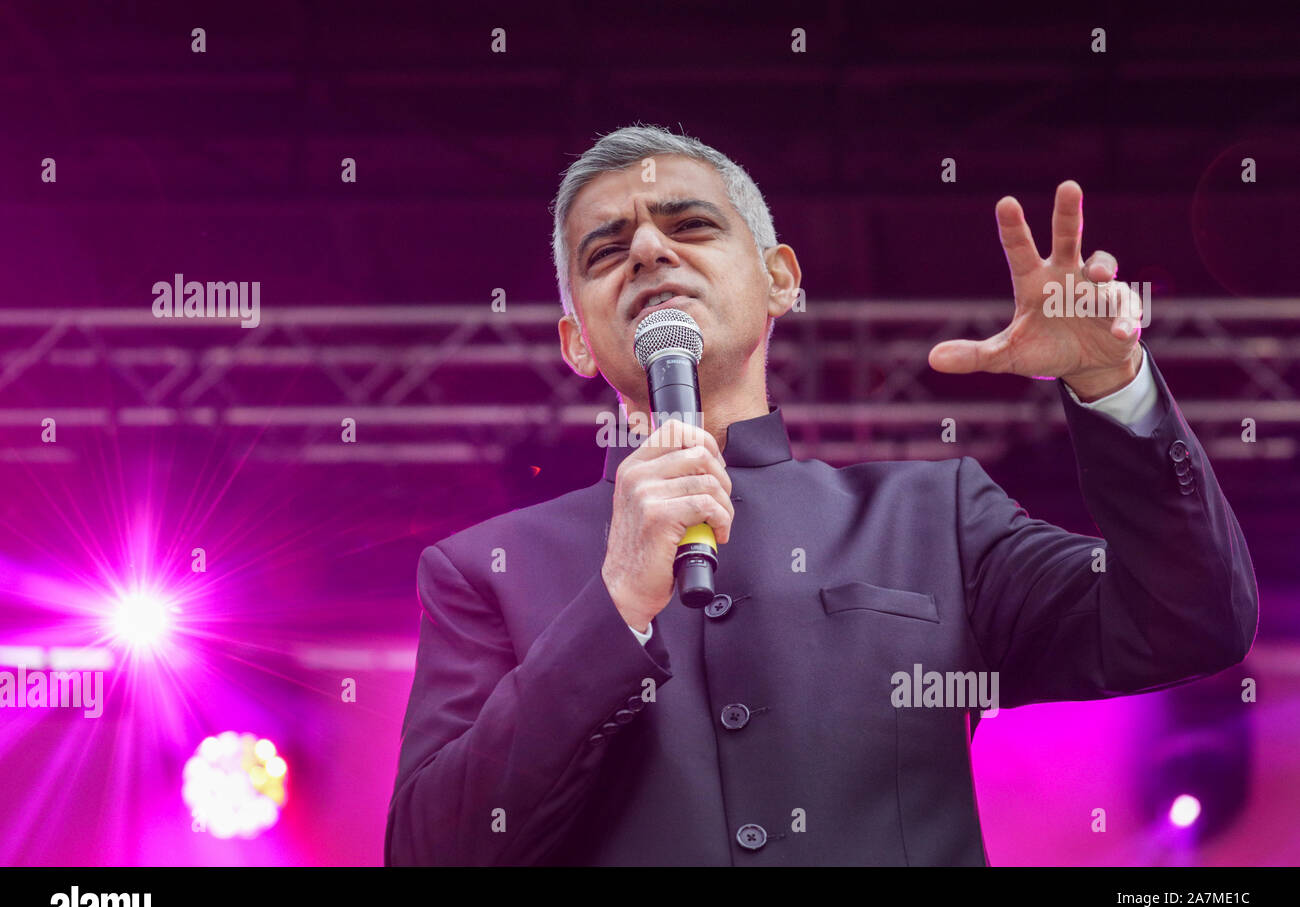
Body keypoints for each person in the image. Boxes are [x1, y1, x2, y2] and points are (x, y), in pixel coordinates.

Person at [384, 125, 1257, 866]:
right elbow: (429, 849)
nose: (649, 250)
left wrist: (1116, 387)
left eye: (689, 225)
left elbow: (1190, 619)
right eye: (607, 250)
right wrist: (613, 608)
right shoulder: (482, 571)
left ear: (780, 280)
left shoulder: (934, 517)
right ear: (577, 341)